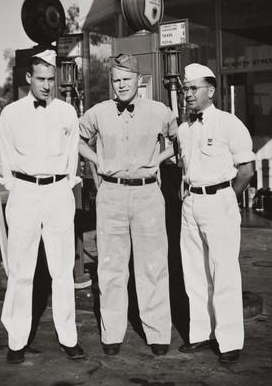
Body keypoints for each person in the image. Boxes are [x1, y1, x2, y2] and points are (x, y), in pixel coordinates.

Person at [78, 53, 178, 356]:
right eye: (116, 80)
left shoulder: (159, 111)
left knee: (153, 265)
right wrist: (99, 160)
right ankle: (112, 334)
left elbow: (178, 141)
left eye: (126, 79)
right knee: (111, 267)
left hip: (148, 194)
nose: (121, 85)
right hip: (111, 194)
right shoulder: (98, 112)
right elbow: (78, 140)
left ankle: (158, 333)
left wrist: (156, 161)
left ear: (139, 80)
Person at [0, 49, 84, 364]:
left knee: (62, 270)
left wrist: (64, 186)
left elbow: (73, 157)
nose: (47, 86)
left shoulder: (67, 113)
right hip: (24, 192)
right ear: (28, 78)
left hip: (59, 190)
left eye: (51, 80)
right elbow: (4, 163)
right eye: (41, 79)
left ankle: (69, 338)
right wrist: (19, 189)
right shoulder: (11, 114)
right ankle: (16, 341)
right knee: (21, 271)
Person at [176, 63, 255, 364]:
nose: (188, 94)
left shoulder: (227, 123)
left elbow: (246, 171)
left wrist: (226, 198)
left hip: (220, 199)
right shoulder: (185, 129)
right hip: (191, 203)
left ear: (211, 90)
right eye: (186, 88)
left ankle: (229, 341)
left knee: (223, 272)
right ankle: (200, 334)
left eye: (194, 88)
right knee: (194, 272)